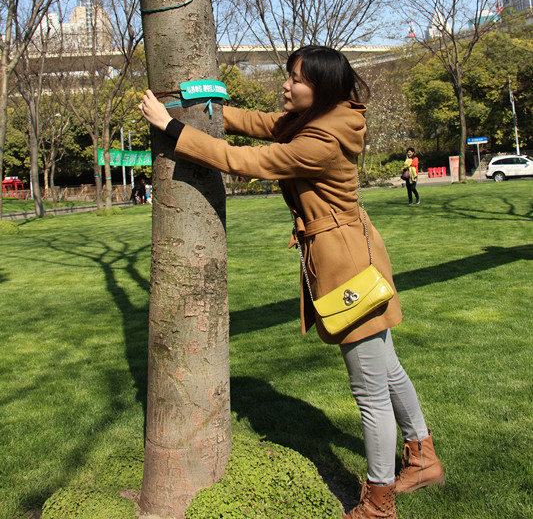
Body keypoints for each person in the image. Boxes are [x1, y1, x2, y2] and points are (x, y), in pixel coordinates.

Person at [139, 46, 444, 519]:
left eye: (296, 79)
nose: (286, 84)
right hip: (352, 250)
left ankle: (378, 502)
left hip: (345, 265)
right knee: (386, 368)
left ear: (320, 89)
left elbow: (248, 161)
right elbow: (260, 123)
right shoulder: (322, 119)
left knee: (370, 389)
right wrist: (204, 110)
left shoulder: (321, 140)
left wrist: (172, 128)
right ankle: (422, 459)